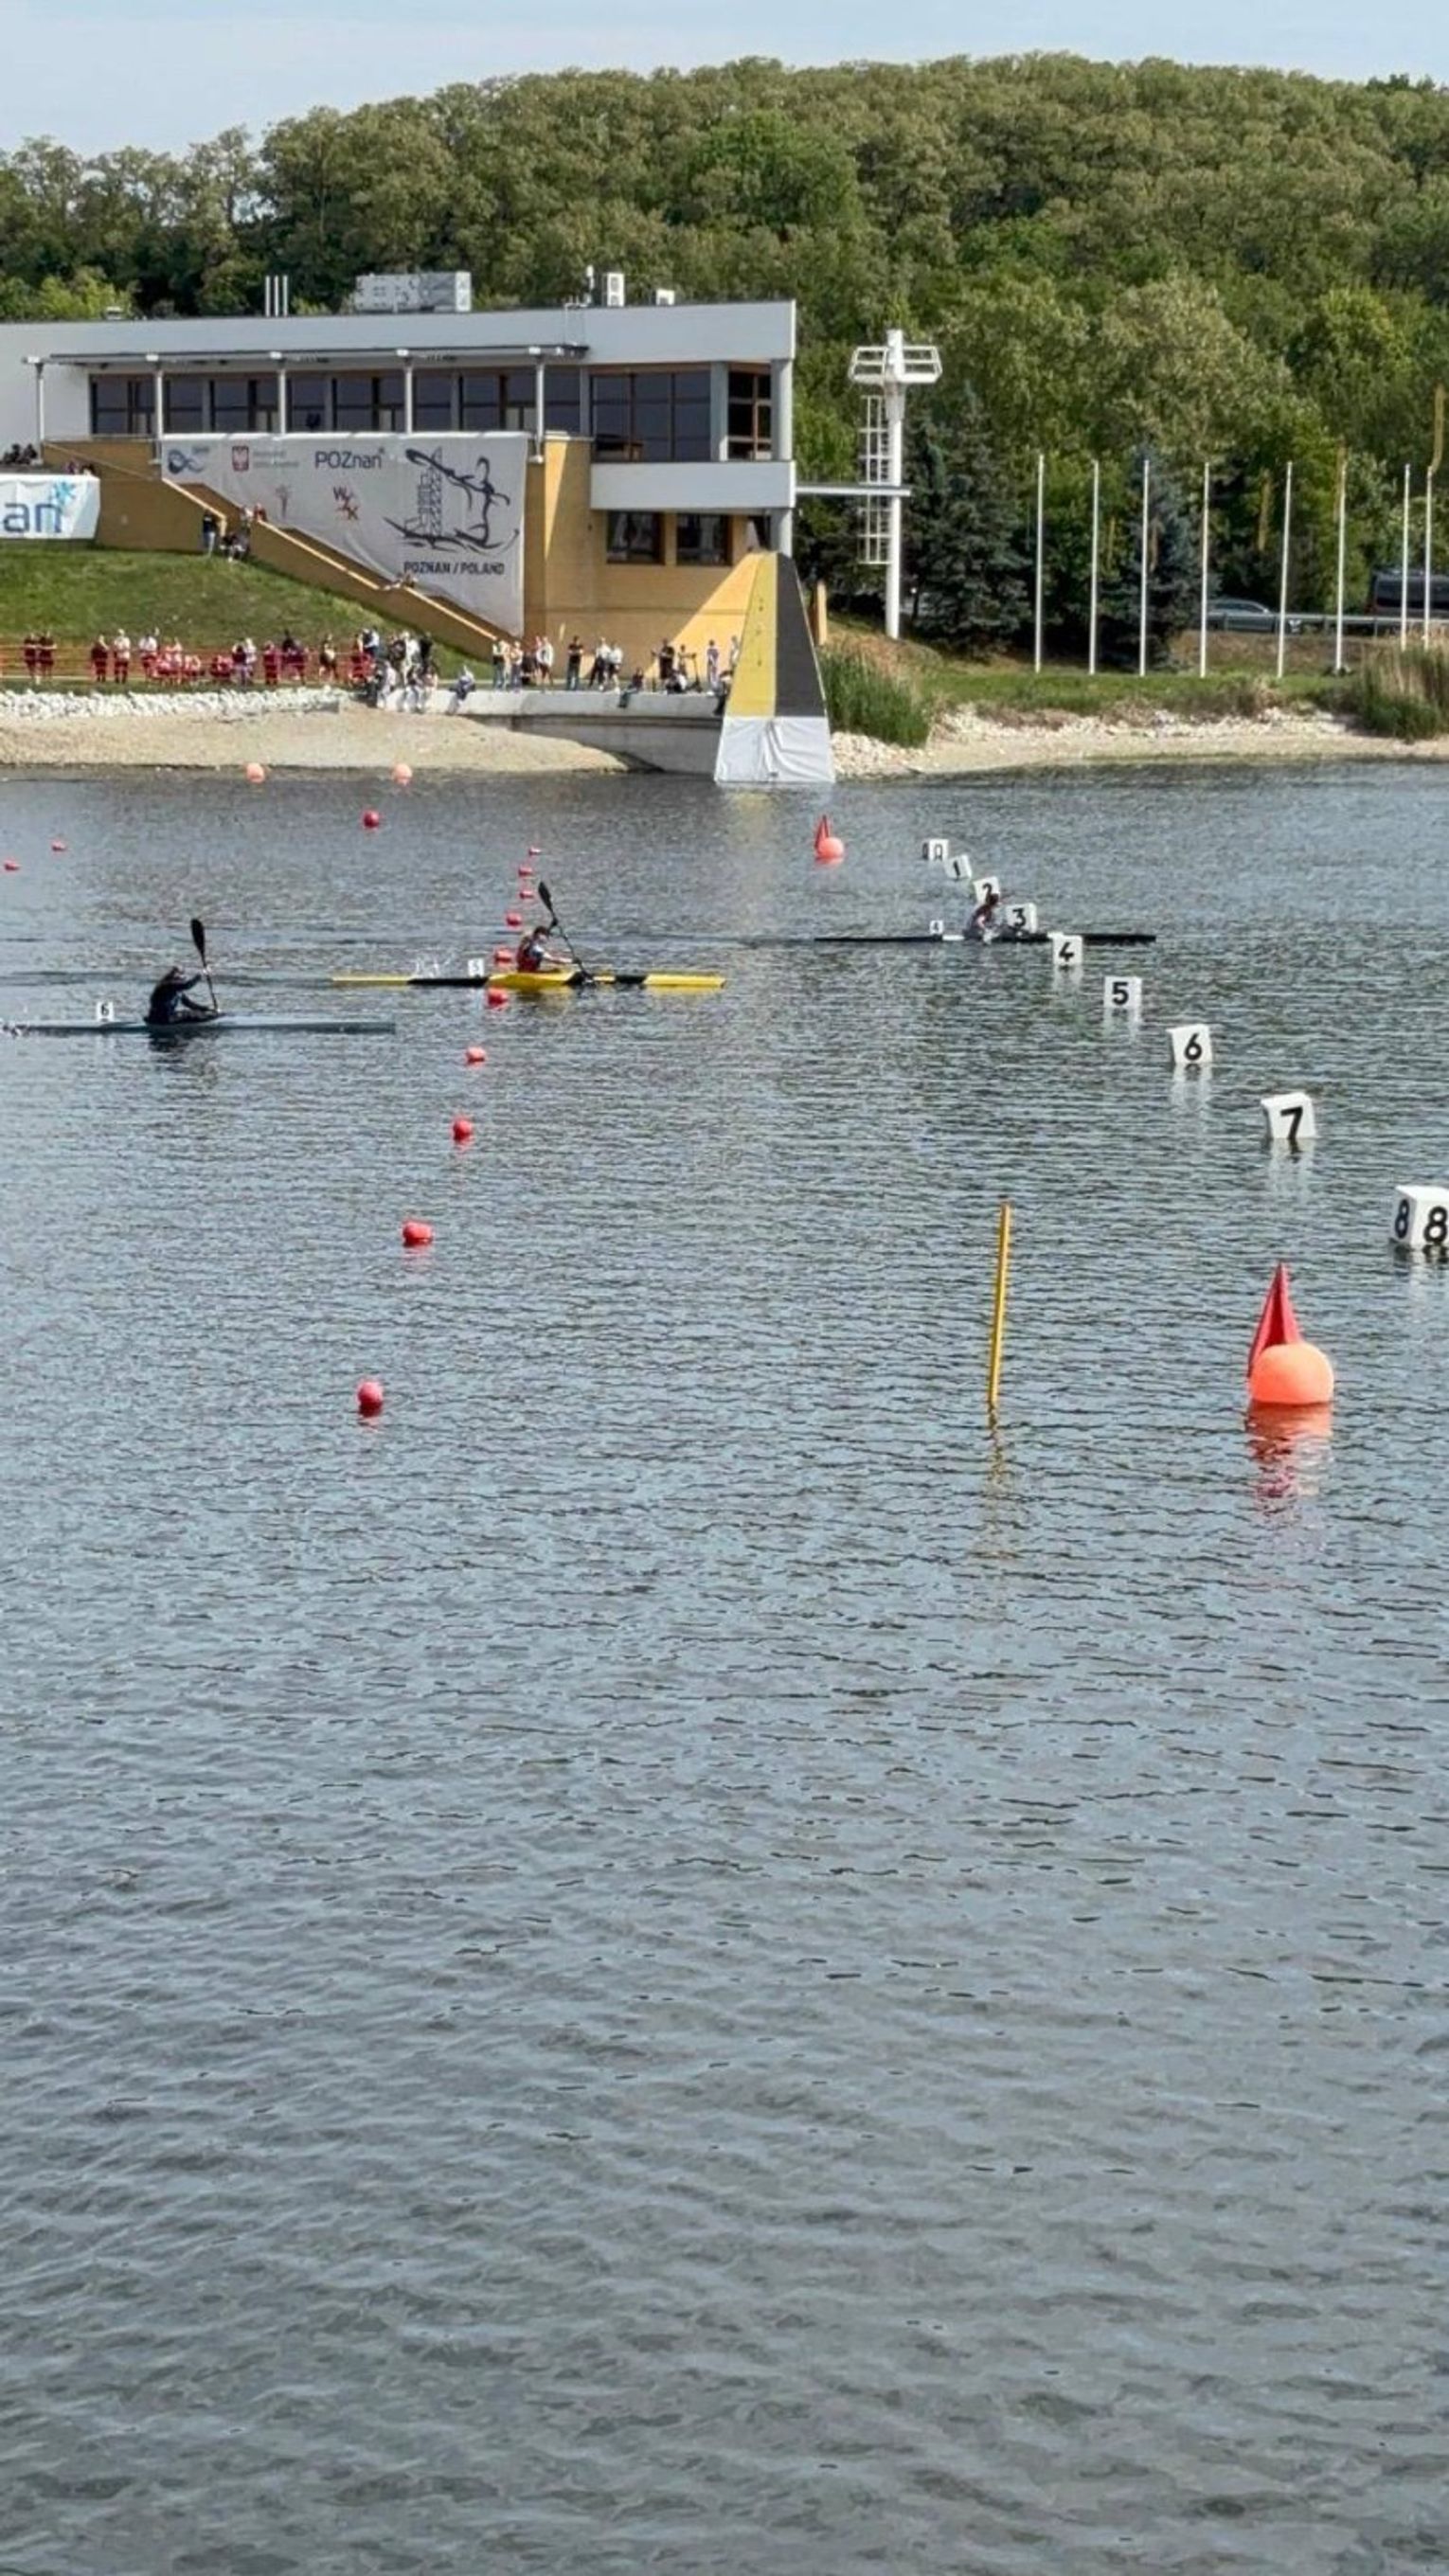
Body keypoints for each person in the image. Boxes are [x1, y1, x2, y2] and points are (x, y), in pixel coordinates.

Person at [146, 964, 217, 1028]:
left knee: (192, 1013)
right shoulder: (166, 985)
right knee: (190, 1015)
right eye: (180, 975)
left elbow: (190, 1004)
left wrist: (207, 1009)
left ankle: (209, 1015)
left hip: (166, 1017)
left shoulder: (178, 991)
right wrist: (202, 973)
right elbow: (187, 985)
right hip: (161, 1018)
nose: (183, 978)